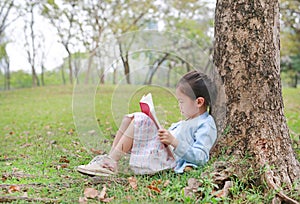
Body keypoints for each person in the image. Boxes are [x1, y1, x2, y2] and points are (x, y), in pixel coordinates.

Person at [76, 70, 217, 176]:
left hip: (167, 159)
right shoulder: (189, 120)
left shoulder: (206, 124)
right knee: (132, 119)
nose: (179, 105)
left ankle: (110, 163)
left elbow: (201, 157)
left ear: (199, 102)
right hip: (162, 151)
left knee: (141, 119)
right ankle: (110, 159)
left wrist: (174, 142)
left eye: (181, 101)